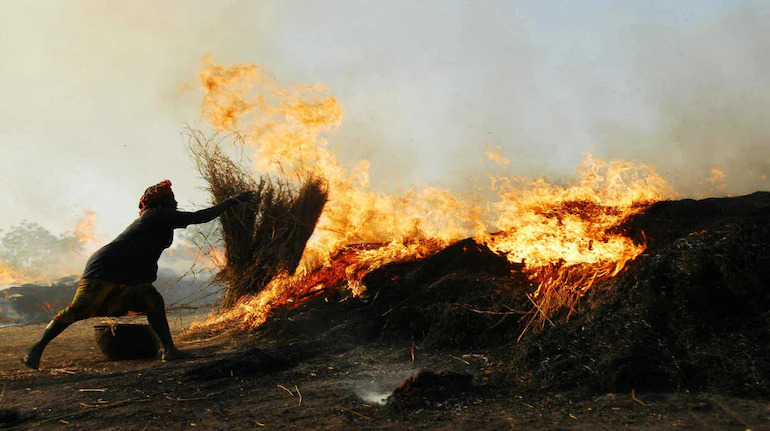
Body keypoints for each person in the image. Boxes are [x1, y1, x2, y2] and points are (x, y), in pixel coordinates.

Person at [21, 180, 251, 370]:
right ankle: (36, 349)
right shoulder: (157, 215)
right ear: (163, 203)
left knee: (154, 303)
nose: (176, 202)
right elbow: (200, 217)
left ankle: (169, 350)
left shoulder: (160, 217)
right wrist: (232, 201)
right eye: (172, 198)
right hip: (107, 267)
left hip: (132, 273)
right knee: (78, 309)